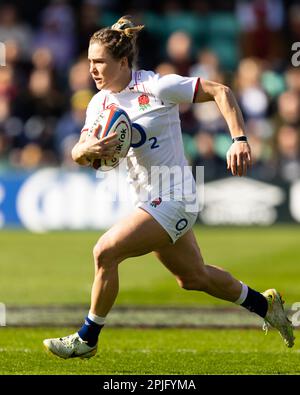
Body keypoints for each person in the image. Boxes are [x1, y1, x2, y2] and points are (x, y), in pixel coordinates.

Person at [43, 16, 295, 359]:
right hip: (148, 200)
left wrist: (238, 139)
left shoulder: (156, 87)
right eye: (89, 62)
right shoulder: (99, 102)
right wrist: (85, 151)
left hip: (176, 197)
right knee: (193, 277)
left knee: (105, 252)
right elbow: (78, 151)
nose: (92, 69)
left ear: (122, 62)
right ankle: (266, 307)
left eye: (99, 61)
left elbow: (221, 91)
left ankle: (87, 338)